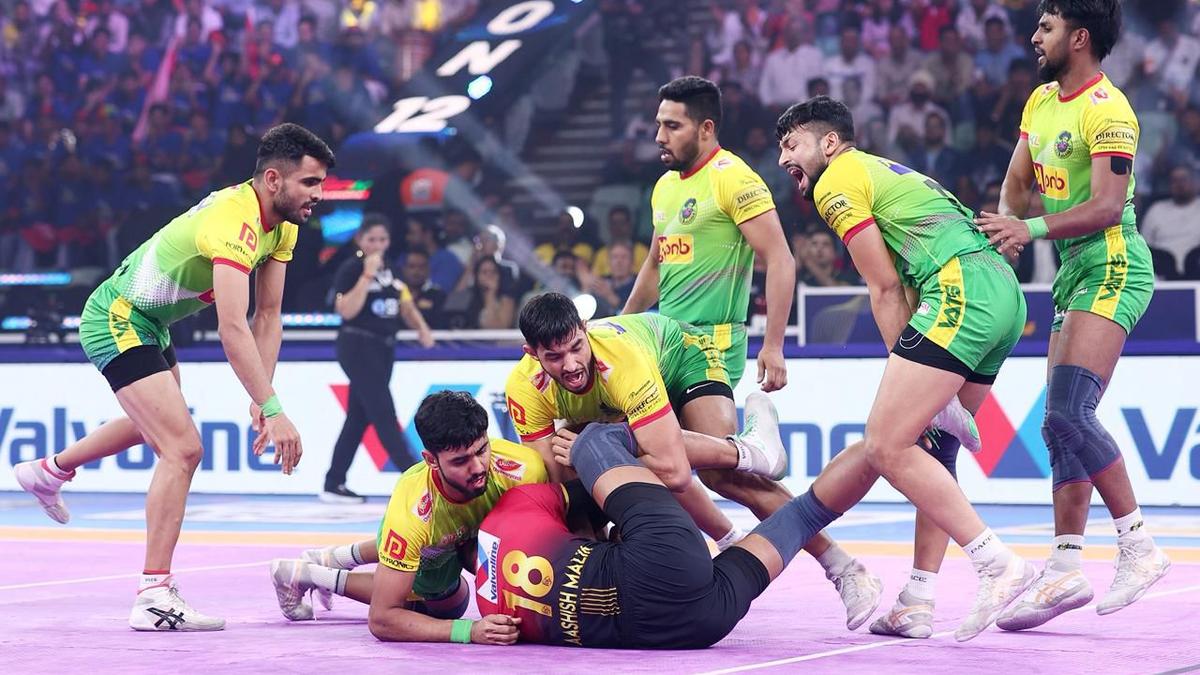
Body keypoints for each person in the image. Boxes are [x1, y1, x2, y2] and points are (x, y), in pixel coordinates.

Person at [13, 123, 334, 631]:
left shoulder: (284, 226)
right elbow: (232, 327)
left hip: (151, 323)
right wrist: (274, 410)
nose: (319, 194)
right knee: (182, 448)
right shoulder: (234, 221)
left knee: (160, 430)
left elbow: (268, 316)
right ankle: (153, 594)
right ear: (274, 179)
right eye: (310, 183)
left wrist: (262, 396)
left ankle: (50, 470)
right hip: (118, 316)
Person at [621, 76, 885, 630]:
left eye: (672, 125)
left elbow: (781, 259)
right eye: (658, 125)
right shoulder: (664, 187)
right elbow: (654, 266)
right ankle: (731, 513)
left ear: (706, 128)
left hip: (707, 346)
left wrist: (773, 344)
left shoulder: (734, 178)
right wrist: (617, 334)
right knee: (638, 457)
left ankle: (841, 565)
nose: (659, 136)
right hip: (657, 344)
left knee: (723, 475)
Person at [777, 96, 1032, 642]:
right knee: (935, 451)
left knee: (885, 444)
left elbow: (886, 287)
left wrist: (908, 360)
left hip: (961, 290)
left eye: (792, 144)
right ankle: (918, 598)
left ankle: (996, 562)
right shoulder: (880, 170)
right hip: (1001, 293)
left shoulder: (836, 181)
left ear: (829, 142)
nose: (783, 159)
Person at [509, 292, 881, 629]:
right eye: (554, 357)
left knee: (721, 477)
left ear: (585, 329)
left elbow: (674, 472)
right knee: (581, 472)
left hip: (682, 357)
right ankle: (731, 534)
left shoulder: (621, 360)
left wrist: (601, 462)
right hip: (617, 405)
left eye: (577, 347)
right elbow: (561, 492)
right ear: (531, 353)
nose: (571, 365)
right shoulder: (524, 388)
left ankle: (843, 566)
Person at [974, 0, 1170, 631]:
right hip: (1071, 270)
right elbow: (1016, 186)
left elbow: (1110, 206)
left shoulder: (1109, 109)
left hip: (1114, 263)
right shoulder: (1039, 102)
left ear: (1079, 37)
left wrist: (1028, 229)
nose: (1034, 37)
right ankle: (1064, 567)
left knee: (1069, 412)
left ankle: (1139, 546)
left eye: (1046, 27)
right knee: (1056, 426)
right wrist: (1007, 231)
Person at [469, 422, 850, 648]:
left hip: (695, 625)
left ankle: (874, 451)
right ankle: (748, 454)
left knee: (804, 514)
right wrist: (593, 452)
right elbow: (602, 487)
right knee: (594, 440)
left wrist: (463, 631)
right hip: (659, 554)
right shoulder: (517, 507)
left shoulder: (491, 615)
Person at [269, 390, 549, 639]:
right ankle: (307, 574)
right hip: (434, 543)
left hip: (463, 533)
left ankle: (335, 557)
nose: (477, 467)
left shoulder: (525, 469)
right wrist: (469, 631)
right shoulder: (411, 514)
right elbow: (382, 620)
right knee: (450, 607)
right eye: (460, 461)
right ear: (431, 460)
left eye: (482, 450)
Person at [324, 214, 434, 503]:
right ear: (360, 240)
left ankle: (334, 482)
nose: (377, 245)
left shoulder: (393, 271)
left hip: (384, 348)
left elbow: (405, 305)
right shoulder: (351, 268)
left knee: (358, 417)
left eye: (382, 239)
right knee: (384, 413)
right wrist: (366, 276)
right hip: (357, 345)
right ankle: (419, 479)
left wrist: (422, 329)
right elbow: (346, 310)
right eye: (371, 239)